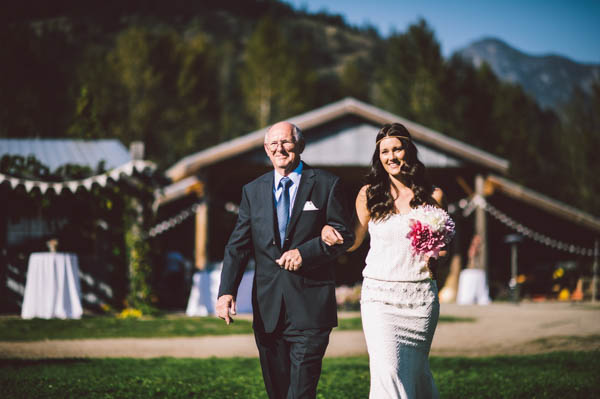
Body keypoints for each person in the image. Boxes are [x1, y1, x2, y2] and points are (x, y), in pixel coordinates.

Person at [216, 121, 354, 399]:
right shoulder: (252, 191)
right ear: (266, 150)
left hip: (311, 308)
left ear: (299, 145)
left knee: (301, 392)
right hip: (268, 310)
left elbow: (344, 235)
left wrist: (307, 252)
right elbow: (238, 246)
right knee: (277, 392)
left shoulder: (327, 184)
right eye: (273, 144)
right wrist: (226, 291)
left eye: (286, 142)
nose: (280, 149)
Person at [322, 122, 448, 399]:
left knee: (416, 372)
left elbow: (441, 248)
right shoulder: (369, 194)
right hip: (380, 297)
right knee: (388, 370)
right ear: (379, 157)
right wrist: (330, 233)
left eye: (397, 149)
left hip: (421, 297)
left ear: (409, 151)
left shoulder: (433, 196)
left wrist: (434, 253)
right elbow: (353, 241)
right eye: (385, 152)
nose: (391, 156)